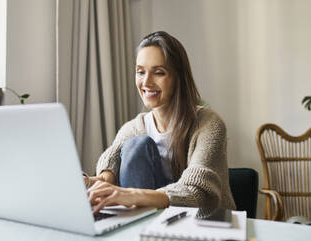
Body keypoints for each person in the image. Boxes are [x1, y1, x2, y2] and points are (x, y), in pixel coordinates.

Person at [83, 31, 236, 214]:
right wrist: (91, 181)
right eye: (140, 72)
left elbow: (197, 192)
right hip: (152, 220)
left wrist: (131, 195)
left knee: (137, 146)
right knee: (137, 145)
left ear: (178, 78)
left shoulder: (209, 125)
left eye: (159, 72)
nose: (146, 82)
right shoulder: (133, 128)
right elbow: (110, 169)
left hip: (202, 222)